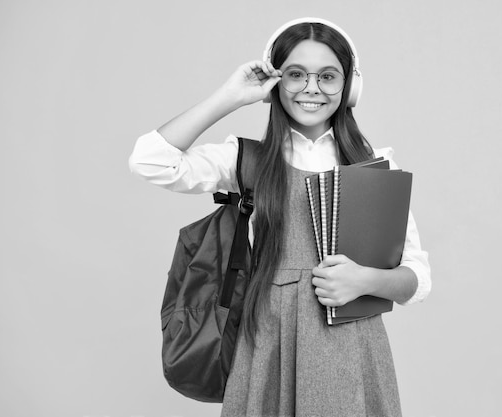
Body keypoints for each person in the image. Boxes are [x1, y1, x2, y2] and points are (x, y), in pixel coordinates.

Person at [129, 17, 431, 417]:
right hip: (268, 344)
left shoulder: (376, 167)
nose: (311, 88)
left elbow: (417, 278)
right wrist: (230, 97)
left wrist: (366, 280)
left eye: (327, 76)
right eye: (295, 75)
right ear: (276, 83)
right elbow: (150, 161)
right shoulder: (246, 160)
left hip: (353, 350)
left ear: (349, 86)